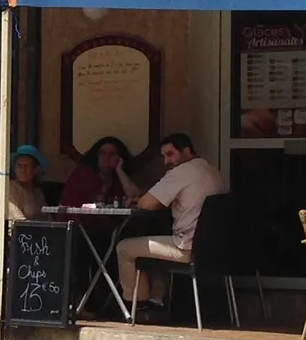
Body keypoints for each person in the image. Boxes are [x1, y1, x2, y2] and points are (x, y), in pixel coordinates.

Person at [115, 132, 228, 319]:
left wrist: (139, 199)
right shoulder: (210, 169)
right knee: (156, 240)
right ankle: (156, 300)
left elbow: (146, 204)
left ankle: (137, 308)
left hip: (187, 248)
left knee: (124, 248)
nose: (166, 161)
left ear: (187, 151)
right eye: (163, 156)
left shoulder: (182, 172)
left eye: (171, 154)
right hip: (214, 250)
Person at [60, 136, 141, 208]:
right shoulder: (83, 174)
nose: (107, 157)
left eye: (112, 154)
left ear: (120, 158)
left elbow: (136, 197)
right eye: (103, 153)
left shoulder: (118, 177)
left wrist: (119, 170)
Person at [6, 145, 48, 221]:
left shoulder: (38, 194)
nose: (22, 170)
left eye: (26, 166)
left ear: (36, 170)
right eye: (19, 165)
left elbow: (48, 219)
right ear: (14, 169)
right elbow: (19, 221)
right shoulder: (10, 189)